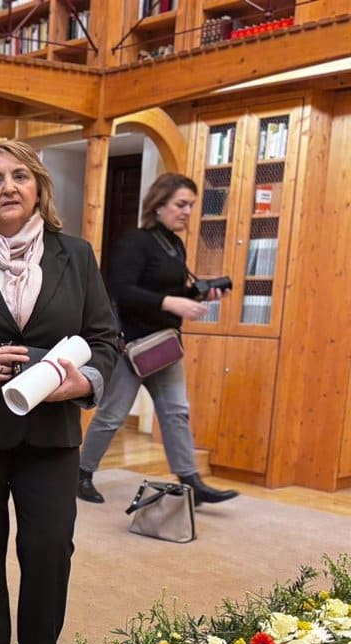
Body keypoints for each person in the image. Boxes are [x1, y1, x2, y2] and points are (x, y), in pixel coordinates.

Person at [0, 139, 119, 644]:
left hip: (52, 434)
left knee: (48, 549)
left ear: (38, 186)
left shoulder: (77, 255)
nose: (8, 187)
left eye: (19, 176)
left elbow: (105, 339)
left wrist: (82, 384)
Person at [78, 173, 238, 506]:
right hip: (133, 347)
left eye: (191, 206)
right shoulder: (136, 242)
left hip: (164, 347)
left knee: (176, 412)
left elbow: (171, 290)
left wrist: (197, 294)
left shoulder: (174, 245)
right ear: (159, 204)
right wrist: (169, 302)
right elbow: (119, 290)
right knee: (112, 415)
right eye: (181, 204)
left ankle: (191, 482)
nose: (187, 212)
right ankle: (81, 473)